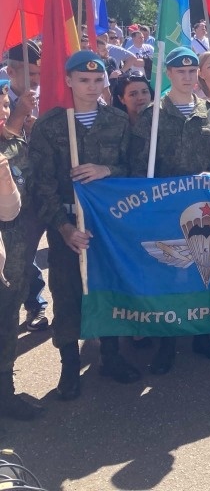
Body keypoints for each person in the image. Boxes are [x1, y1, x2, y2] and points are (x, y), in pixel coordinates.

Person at [30, 51, 138, 399]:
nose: (91, 87)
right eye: (83, 80)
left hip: (108, 223)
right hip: (67, 223)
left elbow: (133, 170)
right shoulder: (50, 125)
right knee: (67, 292)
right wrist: (63, 228)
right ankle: (69, 366)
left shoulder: (118, 122)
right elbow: (40, 184)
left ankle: (110, 355)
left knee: (106, 287)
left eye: (97, 80)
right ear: (68, 81)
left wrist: (108, 171)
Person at [129, 47, 210, 374]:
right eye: (180, 71)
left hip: (203, 210)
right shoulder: (153, 115)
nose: (188, 77)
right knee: (168, 275)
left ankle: (203, 336)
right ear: (168, 75)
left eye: (192, 71)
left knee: (204, 270)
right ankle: (167, 342)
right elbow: (137, 165)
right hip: (164, 210)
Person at [0, 82, 43, 422]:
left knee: (6, 323)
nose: (3, 112)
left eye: (4, 105)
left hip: (14, 259)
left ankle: (5, 394)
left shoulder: (14, 142)